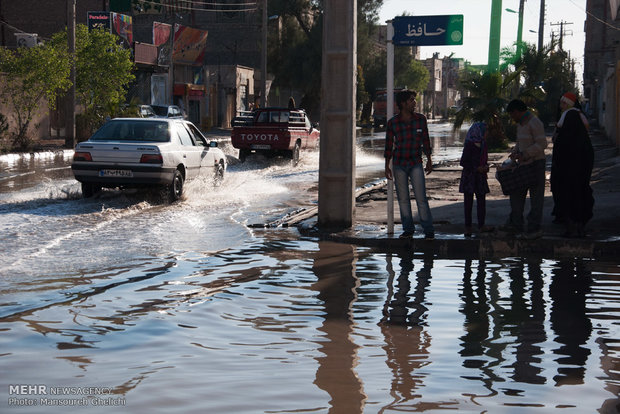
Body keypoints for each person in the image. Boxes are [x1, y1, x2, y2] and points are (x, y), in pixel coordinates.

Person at [384, 90, 435, 239]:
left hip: (416, 163)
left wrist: (429, 160)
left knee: (421, 198)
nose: (415, 103)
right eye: (411, 100)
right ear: (403, 103)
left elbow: (426, 141)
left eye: (414, 100)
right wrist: (387, 166)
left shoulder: (420, 119)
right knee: (403, 199)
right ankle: (408, 230)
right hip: (399, 164)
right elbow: (388, 146)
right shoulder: (393, 123)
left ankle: (429, 230)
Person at [550, 92, 594, 237]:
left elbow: (558, 154)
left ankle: (571, 226)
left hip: (567, 176)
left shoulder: (564, 136)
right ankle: (580, 226)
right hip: (580, 176)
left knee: (568, 196)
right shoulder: (584, 141)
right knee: (580, 195)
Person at [504, 99, 548, 239]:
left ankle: (534, 228)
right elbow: (520, 142)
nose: (512, 118)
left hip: (536, 164)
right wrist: (516, 152)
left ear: (517, 112)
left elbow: (542, 143)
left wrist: (525, 154)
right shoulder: (521, 124)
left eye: (512, 115)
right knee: (516, 194)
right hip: (523, 165)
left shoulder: (534, 123)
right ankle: (516, 224)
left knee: (536, 199)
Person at [459, 122, 493, 236]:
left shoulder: (483, 144)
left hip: (480, 177)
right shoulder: (469, 145)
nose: (487, 133)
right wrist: (476, 168)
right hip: (469, 177)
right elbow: (463, 162)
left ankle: (481, 225)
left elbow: (484, 160)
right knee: (468, 203)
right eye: (485, 131)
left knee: (481, 202)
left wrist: (485, 167)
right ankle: (468, 227)